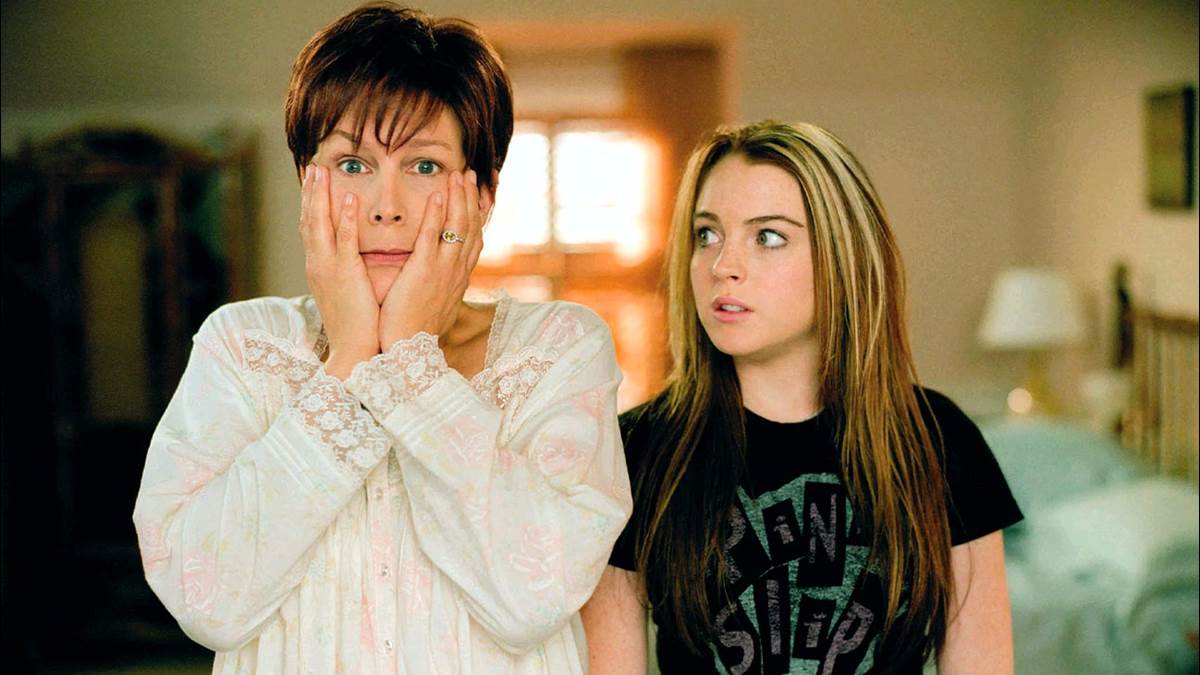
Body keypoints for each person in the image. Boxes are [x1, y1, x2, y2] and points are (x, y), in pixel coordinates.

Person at [132, 4, 631, 672]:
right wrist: (348, 361)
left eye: (424, 167)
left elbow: (533, 600)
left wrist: (409, 360)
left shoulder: (558, 349)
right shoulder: (243, 345)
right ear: (307, 182)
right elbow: (208, 600)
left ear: (483, 194)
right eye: (351, 164)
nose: (385, 206)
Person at [580, 121, 1022, 674]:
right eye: (707, 234)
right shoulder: (637, 449)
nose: (723, 266)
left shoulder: (939, 439)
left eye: (768, 237)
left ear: (842, 257)